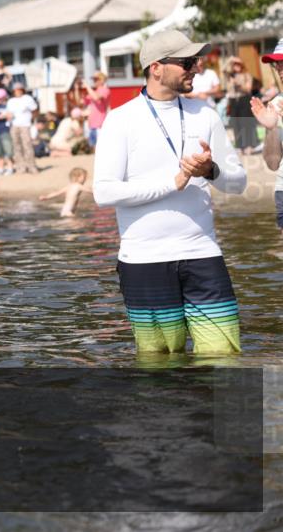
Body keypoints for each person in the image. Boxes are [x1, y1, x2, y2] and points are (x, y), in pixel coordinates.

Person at [94, 29, 247, 354]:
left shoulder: (205, 113)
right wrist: (172, 182)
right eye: (187, 62)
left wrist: (211, 171)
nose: (196, 68)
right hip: (144, 261)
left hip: (203, 255)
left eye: (196, 61)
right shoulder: (120, 120)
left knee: (225, 360)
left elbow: (239, 182)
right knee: (160, 372)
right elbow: (103, 193)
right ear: (156, 67)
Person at [255, 39, 283, 234]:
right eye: (278, 64)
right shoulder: (276, 104)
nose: (280, 69)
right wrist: (272, 128)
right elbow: (273, 164)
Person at [223, 56, 258, 154]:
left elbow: (248, 89)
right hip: (233, 100)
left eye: (238, 64)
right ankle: (240, 146)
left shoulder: (246, 75)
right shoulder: (229, 75)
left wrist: (238, 85)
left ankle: (249, 146)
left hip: (244, 99)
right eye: (235, 64)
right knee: (236, 123)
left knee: (246, 123)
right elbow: (224, 68)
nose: (236, 66)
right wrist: (231, 59)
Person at [6, 84, 39, 173]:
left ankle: (31, 166)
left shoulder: (27, 98)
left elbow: (35, 110)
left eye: (19, 89)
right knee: (17, 147)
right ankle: (21, 167)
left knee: (27, 146)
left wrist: (33, 121)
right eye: (16, 90)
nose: (17, 91)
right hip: (14, 125)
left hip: (25, 125)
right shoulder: (11, 101)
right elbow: (8, 113)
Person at [83, 71, 111, 147]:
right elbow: (81, 102)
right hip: (91, 126)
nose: (94, 81)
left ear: (102, 80)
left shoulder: (105, 90)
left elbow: (96, 97)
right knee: (93, 151)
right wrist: (76, 88)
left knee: (101, 149)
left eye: (96, 79)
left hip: (100, 126)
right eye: (94, 79)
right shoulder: (93, 91)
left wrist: (87, 87)